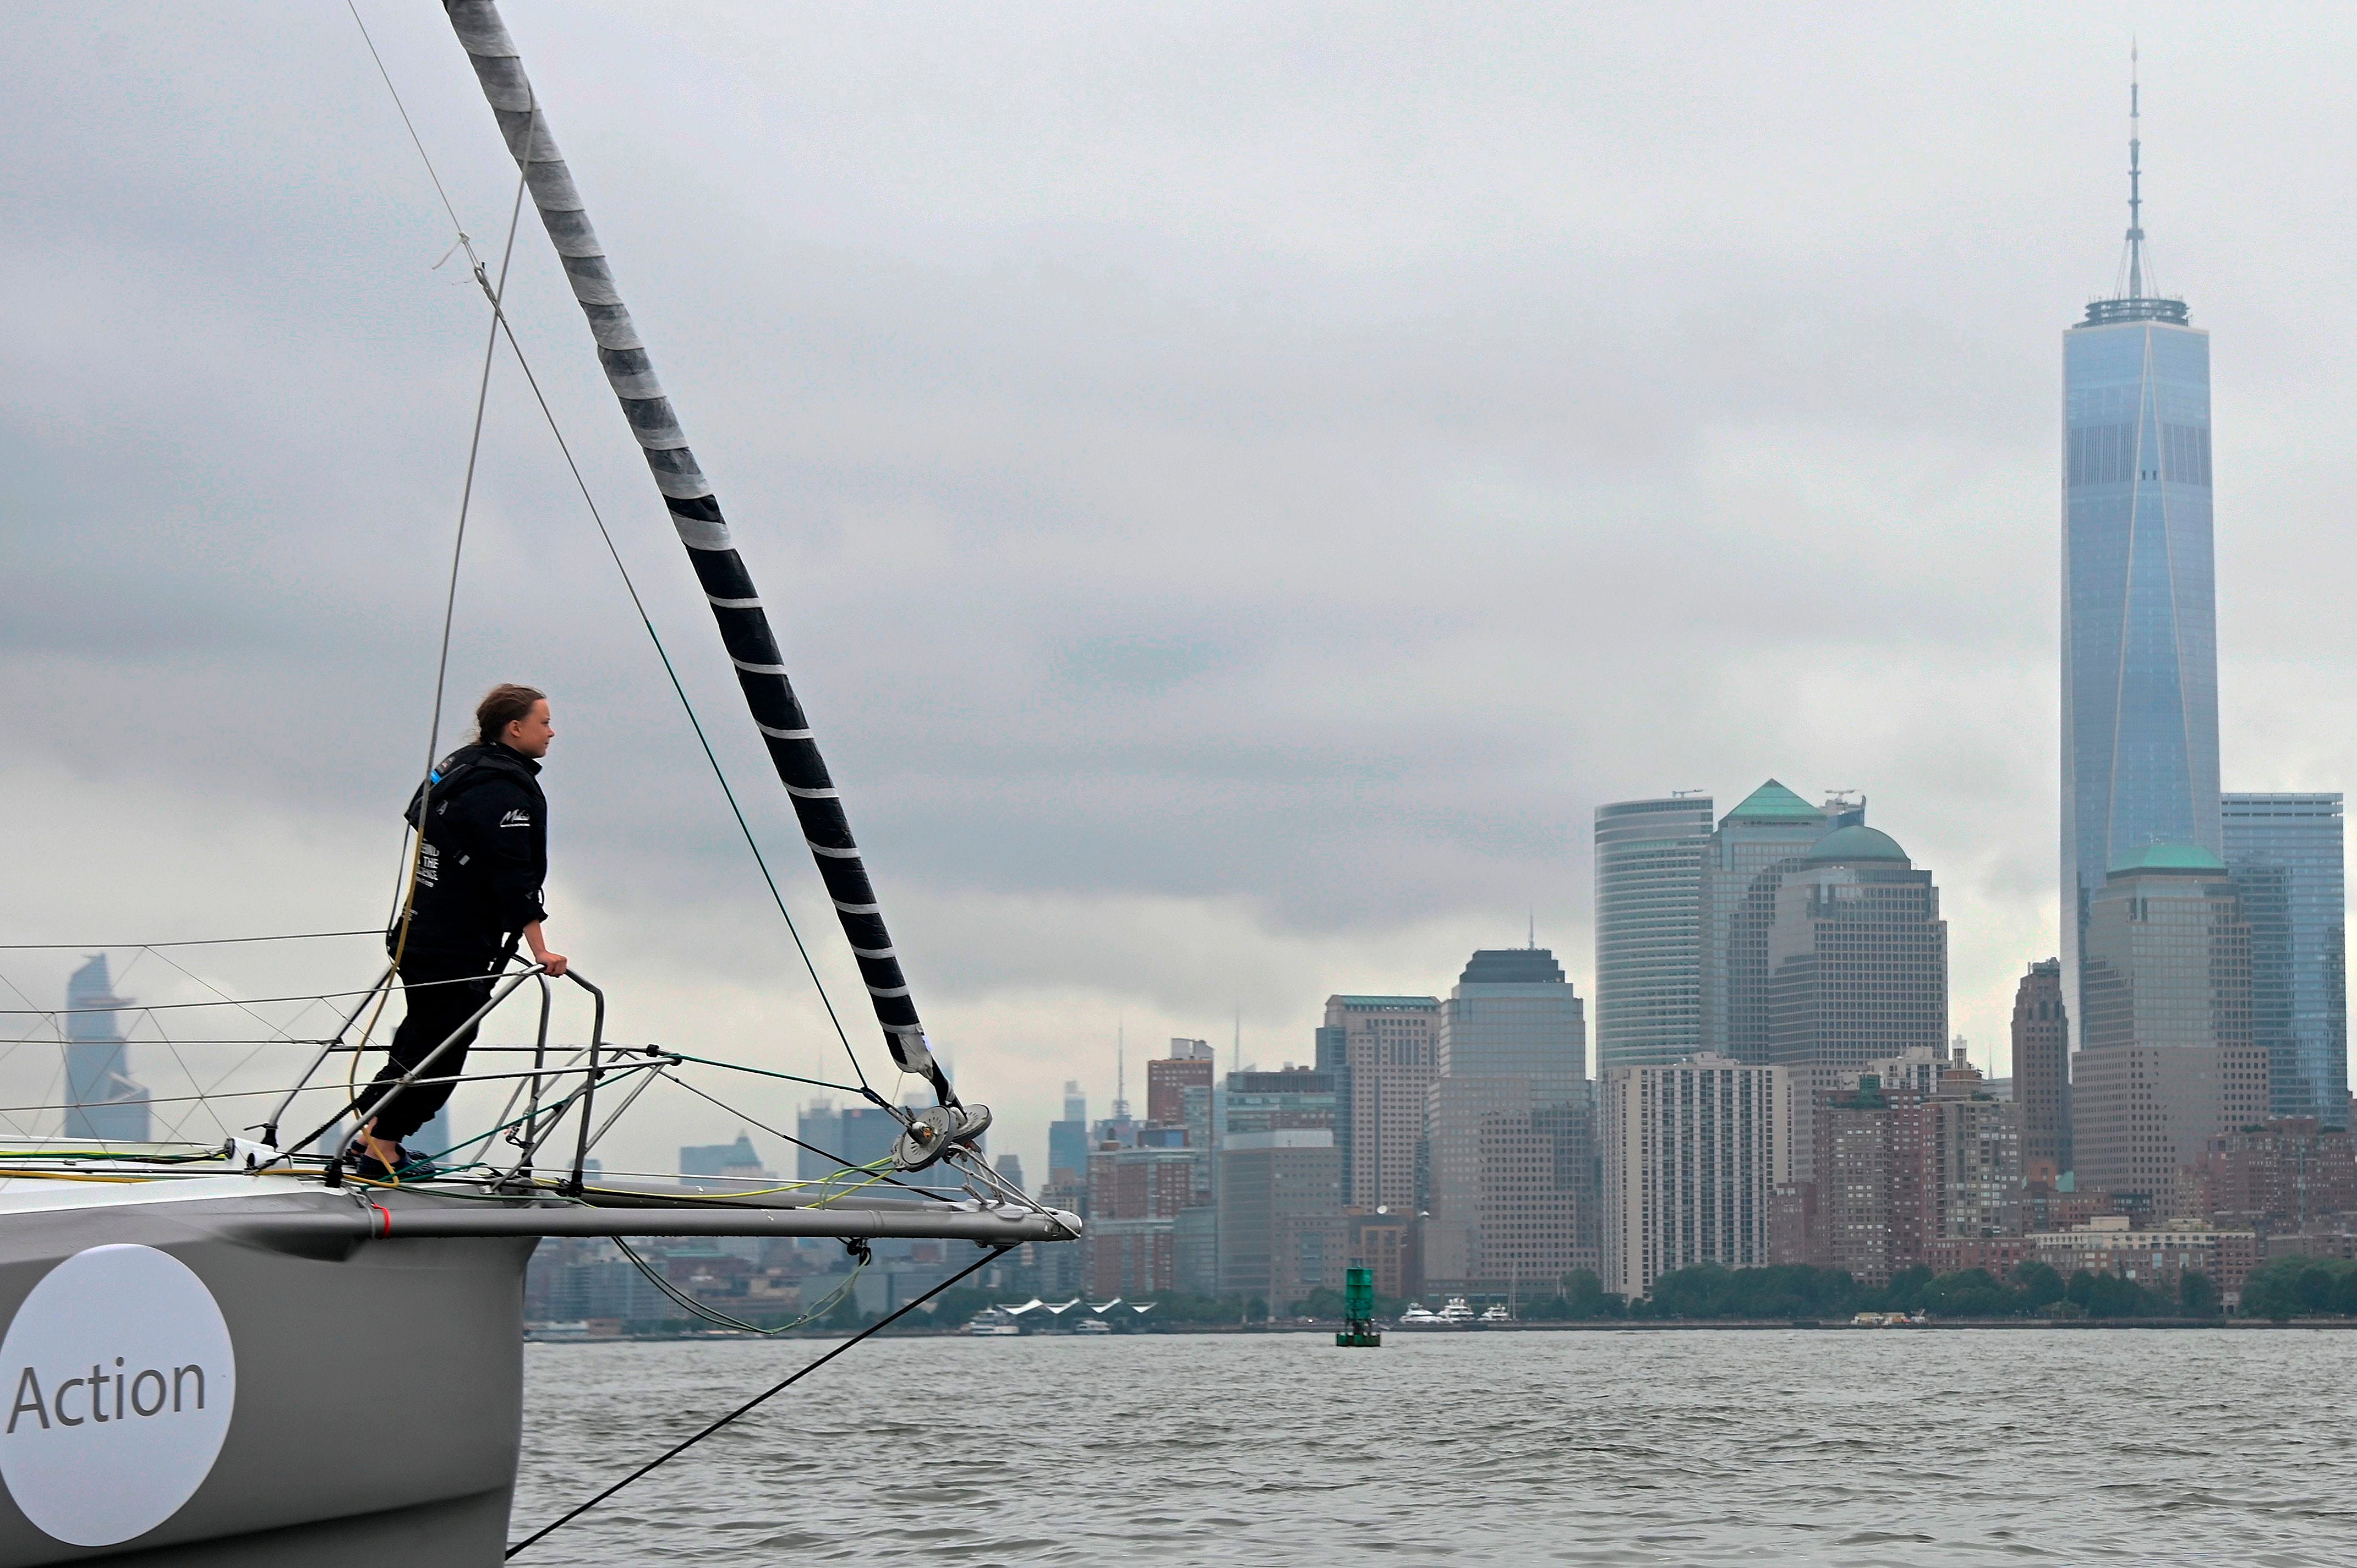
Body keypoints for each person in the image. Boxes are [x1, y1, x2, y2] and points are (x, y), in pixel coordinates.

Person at [353, 683, 567, 1177]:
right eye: (544, 722)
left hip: (417, 933)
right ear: (515, 728)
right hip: (456, 945)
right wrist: (542, 950)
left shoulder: (462, 764)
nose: (551, 732)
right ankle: (380, 1147)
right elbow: (512, 877)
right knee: (441, 1052)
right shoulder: (503, 788)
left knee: (418, 1042)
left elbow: (421, 814)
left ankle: (368, 1137)